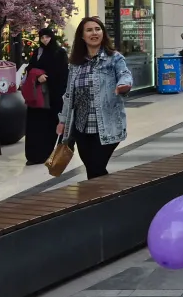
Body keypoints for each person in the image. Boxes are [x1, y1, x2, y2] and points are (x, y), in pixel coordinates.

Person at [56, 17, 132, 179]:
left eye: (98, 29)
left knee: (96, 167)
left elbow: (125, 74)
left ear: (103, 34)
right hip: (81, 128)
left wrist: (124, 85)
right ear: (82, 36)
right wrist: (63, 121)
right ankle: (101, 200)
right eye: (89, 30)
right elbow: (69, 95)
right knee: (92, 171)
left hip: (106, 125)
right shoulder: (76, 64)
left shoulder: (114, 58)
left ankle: (106, 201)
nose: (94, 33)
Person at [24, 28, 69, 166]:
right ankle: (35, 155)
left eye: (47, 37)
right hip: (38, 96)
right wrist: (37, 77)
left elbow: (62, 74)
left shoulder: (59, 52)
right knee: (35, 126)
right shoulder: (38, 52)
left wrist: (48, 79)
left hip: (52, 98)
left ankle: (52, 154)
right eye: (42, 38)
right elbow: (30, 68)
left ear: (52, 37)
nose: (45, 40)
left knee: (52, 126)